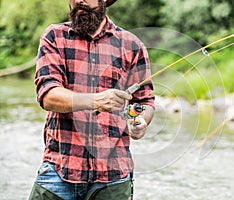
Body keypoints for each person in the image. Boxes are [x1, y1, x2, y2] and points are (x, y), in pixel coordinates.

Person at [29, 0, 155, 199]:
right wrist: (96, 100)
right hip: (59, 169)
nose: (79, 0)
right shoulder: (54, 36)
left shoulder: (132, 45)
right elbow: (49, 96)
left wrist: (142, 121)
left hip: (113, 176)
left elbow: (145, 101)